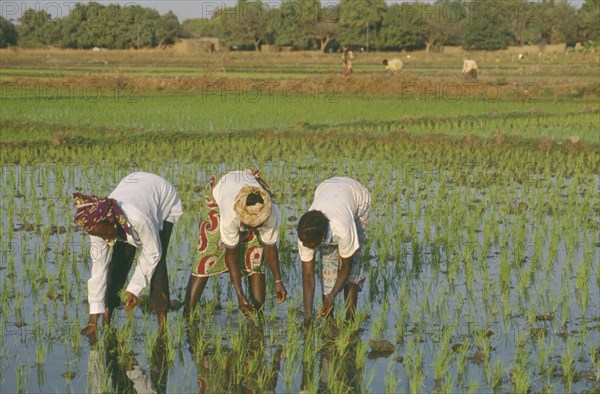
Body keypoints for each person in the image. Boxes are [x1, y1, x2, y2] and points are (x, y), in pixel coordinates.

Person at [74, 171, 183, 339]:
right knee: (118, 262)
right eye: (100, 236)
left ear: (112, 221)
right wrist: (92, 321)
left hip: (162, 198)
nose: (103, 238)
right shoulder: (97, 228)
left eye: (105, 233)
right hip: (134, 187)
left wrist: (134, 289)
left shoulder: (139, 220)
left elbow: (152, 253)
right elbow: (98, 271)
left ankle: (162, 325)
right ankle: (106, 316)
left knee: (158, 262)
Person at [183, 169, 287, 318]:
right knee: (208, 253)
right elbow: (231, 253)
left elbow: (270, 247)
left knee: (256, 255)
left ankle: (258, 314)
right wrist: (239, 294)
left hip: (249, 192)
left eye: (257, 225)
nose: (252, 229)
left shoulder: (269, 213)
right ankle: (188, 314)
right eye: (250, 225)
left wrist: (278, 280)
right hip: (221, 191)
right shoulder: (230, 215)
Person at [297, 177, 370, 327]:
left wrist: (332, 296)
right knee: (328, 265)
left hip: (358, 199)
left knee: (353, 268)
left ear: (320, 237)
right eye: (303, 242)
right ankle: (329, 320)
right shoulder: (305, 233)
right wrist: (307, 316)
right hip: (327, 188)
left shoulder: (342, 229)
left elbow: (346, 267)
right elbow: (308, 275)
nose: (304, 245)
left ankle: (350, 320)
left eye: (309, 244)